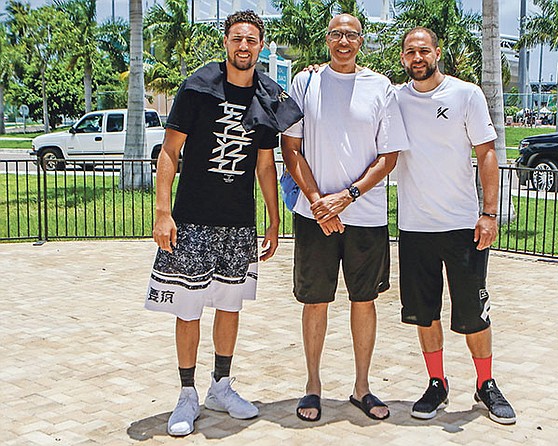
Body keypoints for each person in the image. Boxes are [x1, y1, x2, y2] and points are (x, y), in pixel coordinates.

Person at [145, 10, 302, 437]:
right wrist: (163, 212)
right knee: (188, 307)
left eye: (252, 40)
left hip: (237, 223)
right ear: (227, 42)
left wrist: (272, 219)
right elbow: (169, 152)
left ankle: (221, 385)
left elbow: (265, 164)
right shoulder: (198, 88)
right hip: (192, 218)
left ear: (261, 46)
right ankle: (186, 393)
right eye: (237, 38)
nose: (244, 46)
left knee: (230, 306)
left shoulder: (268, 96)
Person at [281, 13, 408, 422]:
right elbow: (291, 147)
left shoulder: (381, 87)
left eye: (351, 35)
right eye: (336, 34)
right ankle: (313, 387)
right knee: (315, 301)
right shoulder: (305, 82)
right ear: (326, 39)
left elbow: (388, 157)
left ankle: (362, 388)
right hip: (313, 214)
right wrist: (319, 201)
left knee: (363, 300)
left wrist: (346, 198)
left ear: (361, 41)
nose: (343, 41)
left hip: (365, 216)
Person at [394, 27, 516, 425]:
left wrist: (490, 212)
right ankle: (436, 383)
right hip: (414, 228)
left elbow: (486, 153)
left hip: (464, 226)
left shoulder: (466, 95)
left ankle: (486, 384)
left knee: (473, 314)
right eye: (410, 52)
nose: (417, 57)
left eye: (423, 50)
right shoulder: (395, 98)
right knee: (424, 314)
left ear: (437, 53)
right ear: (402, 58)